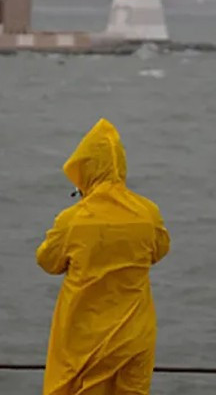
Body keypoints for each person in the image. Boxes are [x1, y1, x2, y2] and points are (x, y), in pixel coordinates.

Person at [36, 118, 171, 395]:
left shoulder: (72, 220)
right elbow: (159, 250)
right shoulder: (147, 213)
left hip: (85, 340)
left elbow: (47, 261)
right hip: (135, 334)